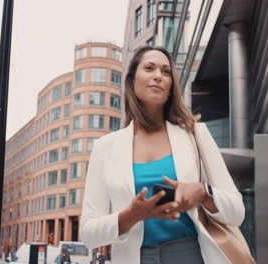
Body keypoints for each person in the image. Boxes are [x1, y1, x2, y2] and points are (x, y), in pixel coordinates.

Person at [80, 46, 245, 264]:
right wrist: (130, 216)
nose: (158, 76)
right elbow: (88, 233)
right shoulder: (105, 147)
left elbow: (237, 212)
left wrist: (203, 193)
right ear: (132, 81)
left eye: (166, 72)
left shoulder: (195, 134)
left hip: (190, 254)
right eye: (149, 68)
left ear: (170, 87)